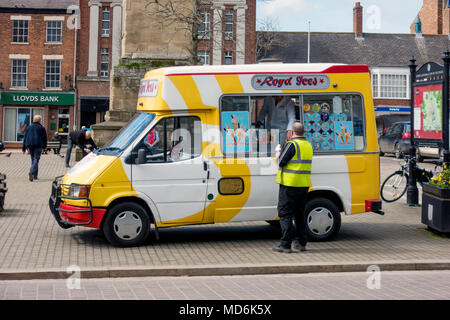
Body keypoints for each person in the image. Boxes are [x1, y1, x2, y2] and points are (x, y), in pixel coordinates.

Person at [273, 121, 313, 253]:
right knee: (299, 214)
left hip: (290, 184)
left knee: (285, 213)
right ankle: (301, 243)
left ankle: (285, 244)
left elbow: (281, 162)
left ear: (292, 132)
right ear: (303, 132)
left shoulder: (292, 144)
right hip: (303, 185)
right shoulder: (308, 145)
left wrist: (278, 152)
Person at [22, 115, 47, 181]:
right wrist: (45, 147)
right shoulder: (41, 128)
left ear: (33, 120)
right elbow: (44, 138)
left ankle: (34, 176)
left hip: (30, 145)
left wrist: (23, 148)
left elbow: (25, 138)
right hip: (38, 145)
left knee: (33, 160)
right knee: (36, 159)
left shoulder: (28, 127)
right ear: (40, 120)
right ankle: (31, 171)